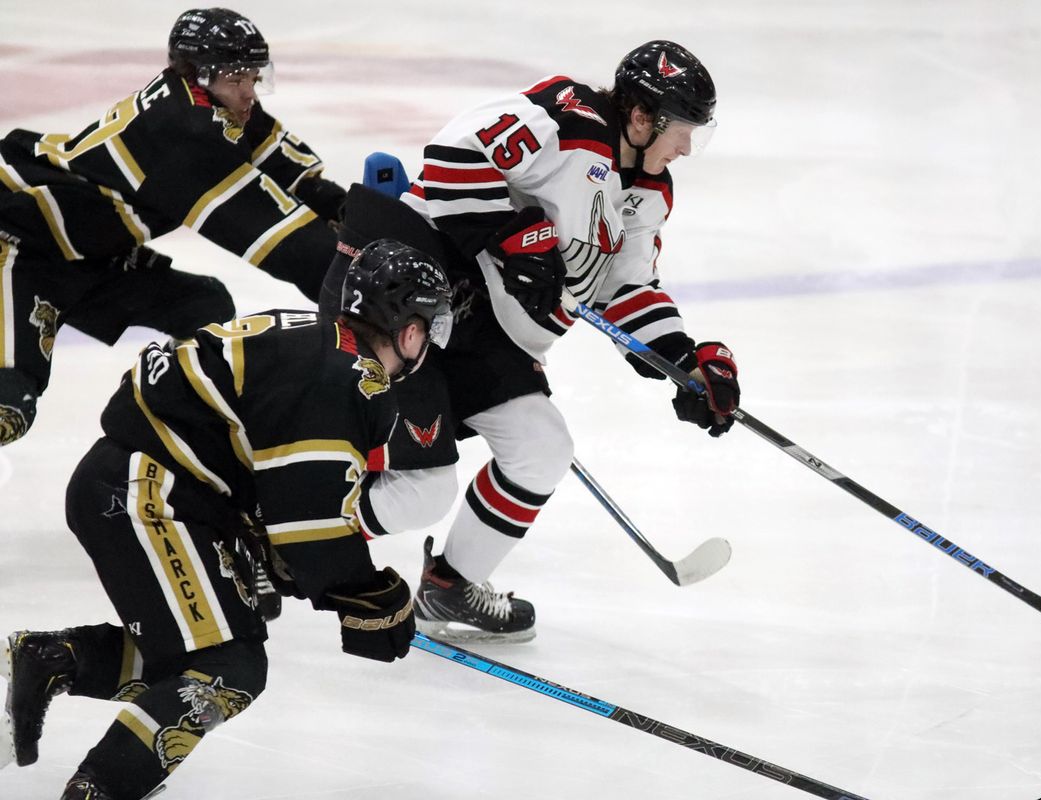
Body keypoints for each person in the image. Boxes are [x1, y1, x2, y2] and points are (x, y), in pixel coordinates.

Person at [321, 40, 743, 643]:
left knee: (542, 448)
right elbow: (452, 159)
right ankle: (285, 537)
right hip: (405, 294)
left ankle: (450, 586)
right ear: (642, 116)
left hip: (486, 328)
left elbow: (624, 291)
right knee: (417, 480)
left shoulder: (649, 193)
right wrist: (514, 233)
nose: (684, 149)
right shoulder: (568, 117)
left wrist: (684, 362)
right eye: (680, 131)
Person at [0, 240, 453, 800]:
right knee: (227, 665)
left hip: (147, 483)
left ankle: (57, 659)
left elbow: (279, 489)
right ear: (409, 329)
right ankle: (101, 788)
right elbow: (309, 524)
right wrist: (367, 596)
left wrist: (293, 559)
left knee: (205, 650)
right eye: (430, 326)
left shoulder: (314, 339)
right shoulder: (343, 376)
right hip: (150, 493)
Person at [0, 7, 348, 446]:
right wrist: (362, 291)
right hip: (16, 244)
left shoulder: (208, 104)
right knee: (9, 405)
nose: (248, 94)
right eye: (237, 80)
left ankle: (172, 434)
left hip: (83, 254)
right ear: (198, 75)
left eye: (254, 79)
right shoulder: (185, 134)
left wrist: (348, 209)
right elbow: (288, 245)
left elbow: (282, 163)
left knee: (203, 307)